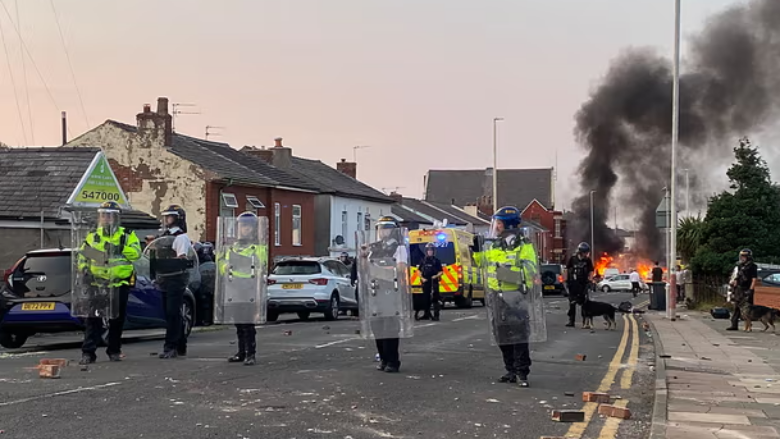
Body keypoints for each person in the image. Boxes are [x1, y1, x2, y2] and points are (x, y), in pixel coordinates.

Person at [473, 206, 539, 388]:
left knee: (519, 334)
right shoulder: (495, 244)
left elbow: (530, 270)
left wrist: (507, 272)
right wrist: (477, 249)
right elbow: (483, 264)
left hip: (515, 295)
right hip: (496, 295)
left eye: (499, 223)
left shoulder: (524, 245)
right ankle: (510, 369)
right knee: (500, 333)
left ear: (508, 224)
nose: (497, 227)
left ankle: (521, 372)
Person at [77, 201, 142, 365]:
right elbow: (83, 255)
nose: (106, 218)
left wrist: (120, 248)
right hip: (97, 284)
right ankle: (88, 353)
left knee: (116, 320)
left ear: (116, 217)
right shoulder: (93, 235)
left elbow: (136, 254)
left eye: (109, 215)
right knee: (93, 319)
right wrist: (84, 269)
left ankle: (114, 350)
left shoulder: (127, 235)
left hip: (119, 284)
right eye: (103, 215)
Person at [358, 216, 410, 373]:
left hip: (391, 290)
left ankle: (393, 361)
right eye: (380, 228)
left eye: (386, 228)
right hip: (374, 290)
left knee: (390, 327)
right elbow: (365, 269)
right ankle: (383, 358)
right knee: (377, 327)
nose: (383, 232)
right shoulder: (374, 248)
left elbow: (399, 269)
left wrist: (378, 271)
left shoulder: (398, 248)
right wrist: (362, 257)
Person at [217, 212, 267, 366]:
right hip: (234, 287)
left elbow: (261, 266)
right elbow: (221, 266)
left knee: (248, 323)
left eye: (247, 226)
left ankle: (251, 354)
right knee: (238, 322)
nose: (243, 229)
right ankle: (241, 352)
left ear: (253, 229)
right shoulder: (231, 247)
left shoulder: (258, 248)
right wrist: (225, 266)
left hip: (250, 288)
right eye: (241, 226)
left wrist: (241, 263)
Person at [156, 204, 194, 359]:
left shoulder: (180, 237)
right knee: (170, 313)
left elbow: (181, 258)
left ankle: (170, 346)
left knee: (173, 312)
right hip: (164, 277)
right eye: (165, 216)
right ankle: (180, 344)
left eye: (169, 216)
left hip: (176, 278)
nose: (166, 219)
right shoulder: (163, 235)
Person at [727, 249, 758, 331]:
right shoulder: (740, 266)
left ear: (748, 257)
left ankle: (749, 326)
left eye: (744, 256)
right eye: (741, 256)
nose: (742, 258)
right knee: (736, 306)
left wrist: (750, 290)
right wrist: (734, 284)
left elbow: (754, 279)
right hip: (739, 289)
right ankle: (734, 324)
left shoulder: (752, 267)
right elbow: (738, 276)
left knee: (747, 308)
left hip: (747, 288)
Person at [565, 242, 594, 327]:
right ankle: (571, 321)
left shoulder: (588, 260)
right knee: (572, 303)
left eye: (587, 252)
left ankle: (585, 322)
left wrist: (590, 279)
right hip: (573, 284)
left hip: (583, 284)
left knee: (584, 303)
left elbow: (591, 270)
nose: (586, 254)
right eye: (585, 252)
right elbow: (566, 269)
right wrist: (566, 280)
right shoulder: (573, 259)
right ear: (580, 252)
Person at [417, 242, 444, 321]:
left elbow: (441, 271)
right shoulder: (423, 260)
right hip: (426, 282)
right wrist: (422, 278)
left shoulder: (436, 261)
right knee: (426, 299)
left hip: (434, 282)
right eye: (428, 250)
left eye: (431, 250)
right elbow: (418, 271)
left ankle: (436, 315)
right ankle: (426, 314)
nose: (430, 252)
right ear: (426, 251)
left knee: (435, 298)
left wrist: (436, 276)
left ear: (433, 251)